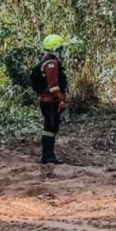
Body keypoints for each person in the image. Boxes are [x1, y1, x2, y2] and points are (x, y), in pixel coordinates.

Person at [36, 34, 69, 164]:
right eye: (60, 48)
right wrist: (61, 98)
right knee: (50, 127)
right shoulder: (51, 63)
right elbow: (53, 85)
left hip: (48, 100)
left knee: (50, 127)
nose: (62, 51)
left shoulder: (47, 60)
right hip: (50, 101)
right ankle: (48, 155)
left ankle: (48, 155)